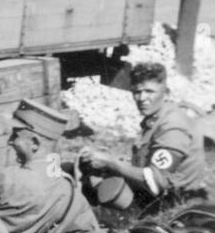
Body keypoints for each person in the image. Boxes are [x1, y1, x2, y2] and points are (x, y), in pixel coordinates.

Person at [0, 101, 104, 233]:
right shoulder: (73, 196)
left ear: (35, 143)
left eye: (16, 135)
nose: (10, 142)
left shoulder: (4, 179)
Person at [77, 61, 207, 209]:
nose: (142, 98)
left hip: (176, 206)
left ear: (166, 93)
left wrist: (111, 162)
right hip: (164, 197)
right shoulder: (158, 117)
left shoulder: (172, 126)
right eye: (137, 92)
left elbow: (155, 182)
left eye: (150, 91)